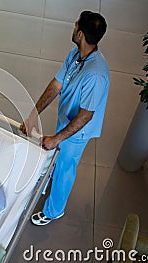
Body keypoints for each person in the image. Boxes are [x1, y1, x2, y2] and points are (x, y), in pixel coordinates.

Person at [20, 11, 109, 226]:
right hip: (68, 118)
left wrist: (57, 139)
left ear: (80, 33)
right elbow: (56, 85)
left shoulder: (96, 74)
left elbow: (86, 116)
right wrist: (33, 115)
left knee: (64, 168)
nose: (73, 26)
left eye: (75, 25)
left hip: (79, 130)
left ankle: (53, 211)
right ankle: (51, 172)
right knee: (56, 155)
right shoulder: (75, 54)